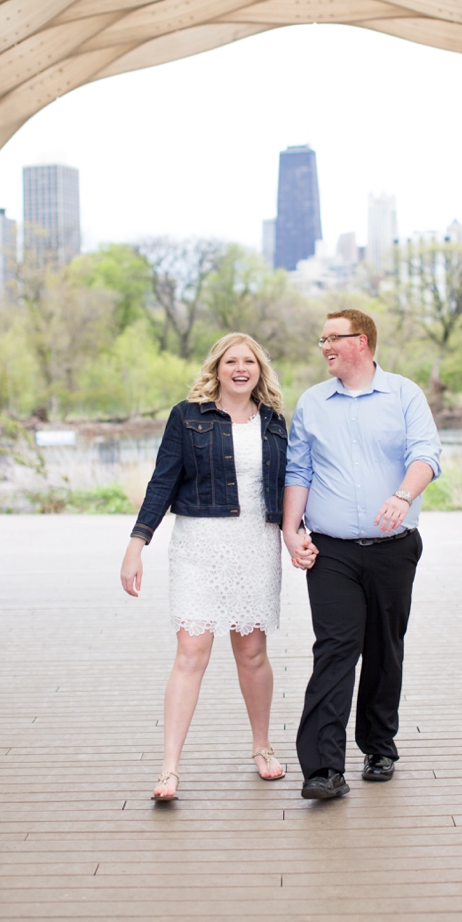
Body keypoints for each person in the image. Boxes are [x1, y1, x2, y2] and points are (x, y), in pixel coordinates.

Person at [121, 332, 299, 802]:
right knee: (190, 652)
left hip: (256, 545)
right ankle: (169, 769)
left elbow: (293, 485)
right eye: (231, 361)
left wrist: (300, 535)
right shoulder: (187, 417)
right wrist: (137, 543)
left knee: (253, 652)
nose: (241, 369)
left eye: (250, 361)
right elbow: (162, 481)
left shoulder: (275, 422)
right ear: (216, 368)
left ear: (260, 370)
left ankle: (262, 748)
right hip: (200, 544)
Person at [283, 308, 442, 800]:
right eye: (322, 338)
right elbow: (298, 471)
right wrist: (291, 530)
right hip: (331, 552)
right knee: (334, 650)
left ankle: (379, 747)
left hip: (394, 549)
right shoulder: (313, 403)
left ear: (363, 342)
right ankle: (323, 768)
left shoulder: (403, 394)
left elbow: (426, 455)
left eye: (335, 337)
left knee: (383, 648)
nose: (325, 345)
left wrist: (402, 496)